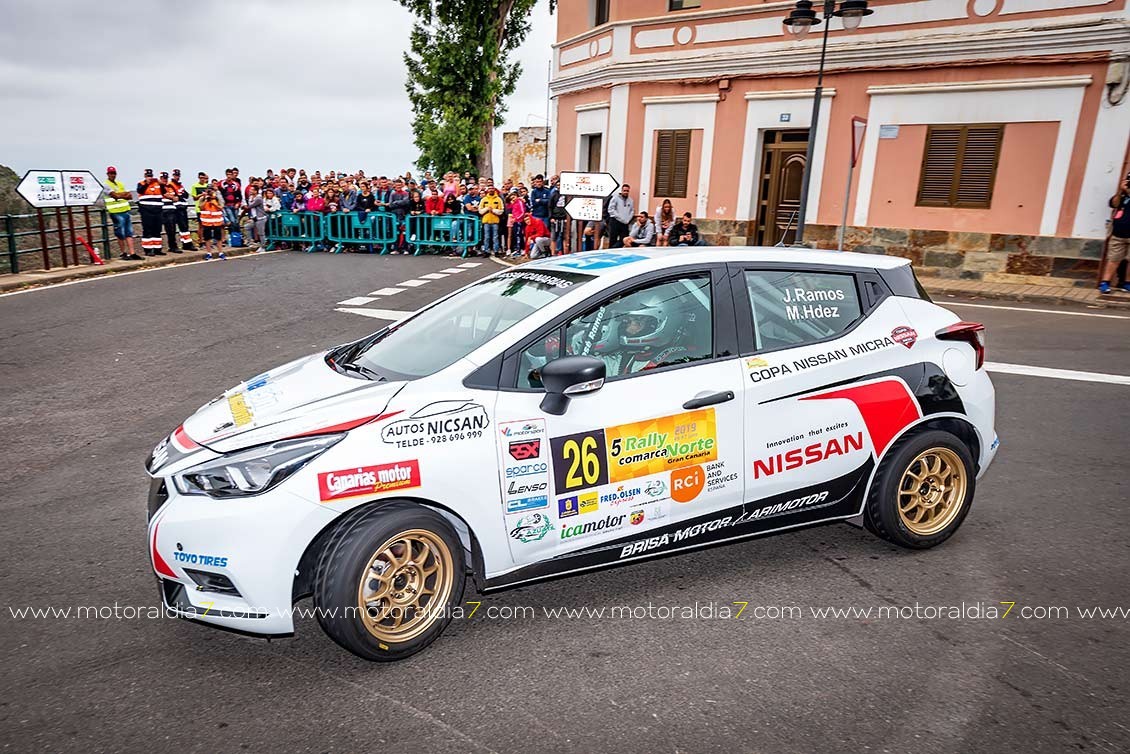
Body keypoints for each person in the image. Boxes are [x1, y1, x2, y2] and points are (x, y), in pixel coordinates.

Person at [102, 166, 141, 260]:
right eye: (111, 173)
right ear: (107, 174)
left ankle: (132, 253)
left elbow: (129, 195)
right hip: (115, 212)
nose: (112, 175)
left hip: (125, 210)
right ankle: (123, 253)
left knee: (129, 233)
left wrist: (121, 195)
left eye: (114, 173)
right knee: (120, 233)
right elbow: (114, 195)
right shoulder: (105, 185)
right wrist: (122, 195)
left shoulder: (119, 184)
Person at [1100, 174, 1130, 293]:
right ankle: (1105, 282)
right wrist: (1121, 191)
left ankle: (1127, 283)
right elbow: (1113, 204)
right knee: (1113, 259)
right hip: (1118, 234)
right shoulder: (1122, 196)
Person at [136, 168, 167, 256]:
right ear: (145, 176)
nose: (150, 177)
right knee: (147, 229)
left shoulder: (157, 184)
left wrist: (161, 184)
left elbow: (164, 192)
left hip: (158, 210)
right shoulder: (141, 184)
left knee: (157, 229)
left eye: (151, 176)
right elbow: (140, 190)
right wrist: (147, 183)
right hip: (146, 210)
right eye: (148, 176)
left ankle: (157, 249)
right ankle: (148, 250)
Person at [170, 170, 195, 251]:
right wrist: (180, 194)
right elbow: (177, 196)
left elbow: (186, 195)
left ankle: (186, 243)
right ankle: (186, 243)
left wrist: (181, 194)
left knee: (185, 226)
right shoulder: (171, 184)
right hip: (177, 208)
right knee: (182, 226)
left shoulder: (180, 185)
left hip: (183, 207)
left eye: (178, 175)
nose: (177, 177)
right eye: (175, 175)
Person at [198, 189, 227, 260]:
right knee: (207, 238)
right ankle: (209, 253)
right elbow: (201, 208)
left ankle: (221, 253)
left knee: (218, 238)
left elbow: (221, 208)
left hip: (216, 221)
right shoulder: (203, 198)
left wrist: (214, 204)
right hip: (207, 221)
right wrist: (206, 200)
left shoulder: (217, 198)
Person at [606, 184, 635, 248]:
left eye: (627, 191)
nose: (626, 192)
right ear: (621, 191)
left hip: (625, 223)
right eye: (624, 190)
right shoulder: (615, 198)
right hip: (615, 221)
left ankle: (617, 250)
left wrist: (628, 219)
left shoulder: (630, 200)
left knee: (624, 239)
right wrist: (619, 217)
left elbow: (632, 211)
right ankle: (611, 250)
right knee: (613, 239)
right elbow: (611, 209)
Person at [479, 186, 504, 256]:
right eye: (489, 189)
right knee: (486, 237)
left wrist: (493, 210)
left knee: (495, 237)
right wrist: (487, 209)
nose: (491, 190)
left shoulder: (498, 199)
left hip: (495, 221)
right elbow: (480, 211)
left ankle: (496, 251)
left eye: (492, 189)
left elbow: (501, 211)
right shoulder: (484, 199)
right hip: (486, 221)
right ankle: (486, 251)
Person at [221, 168, 243, 233]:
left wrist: (238, 203)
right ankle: (234, 234)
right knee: (232, 220)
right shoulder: (222, 183)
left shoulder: (236, 184)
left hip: (235, 204)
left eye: (230, 174)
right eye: (228, 174)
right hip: (227, 205)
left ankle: (238, 235)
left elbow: (239, 195)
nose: (229, 176)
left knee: (236, 220)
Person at [507, 190, 526, 258]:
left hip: (519, 221)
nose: (513, 199)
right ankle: (519, 249)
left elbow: (522, 212)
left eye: (514, 197)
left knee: (518, 235)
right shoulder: (514, 203)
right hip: (515, 220)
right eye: (511, 198)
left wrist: (517, 218)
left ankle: (520, 249)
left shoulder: (519, 202)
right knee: (516, 235)